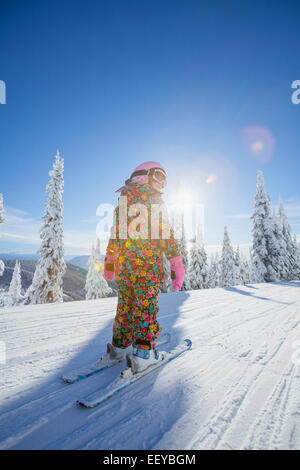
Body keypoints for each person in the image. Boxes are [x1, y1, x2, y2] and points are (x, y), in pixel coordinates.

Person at [102, 161, 185, 373]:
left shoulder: (123, 201)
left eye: (165, 178)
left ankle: (120, 347)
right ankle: (143, 354)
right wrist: (175, 262)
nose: (163, 183)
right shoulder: (155, 201)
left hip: (126, 269)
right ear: (145, 175)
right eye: (159, 176)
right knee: (145, 310)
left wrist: (110, 260)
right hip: (147, 269)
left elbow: (116, 235)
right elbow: (165, 233)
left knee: (125, 309)